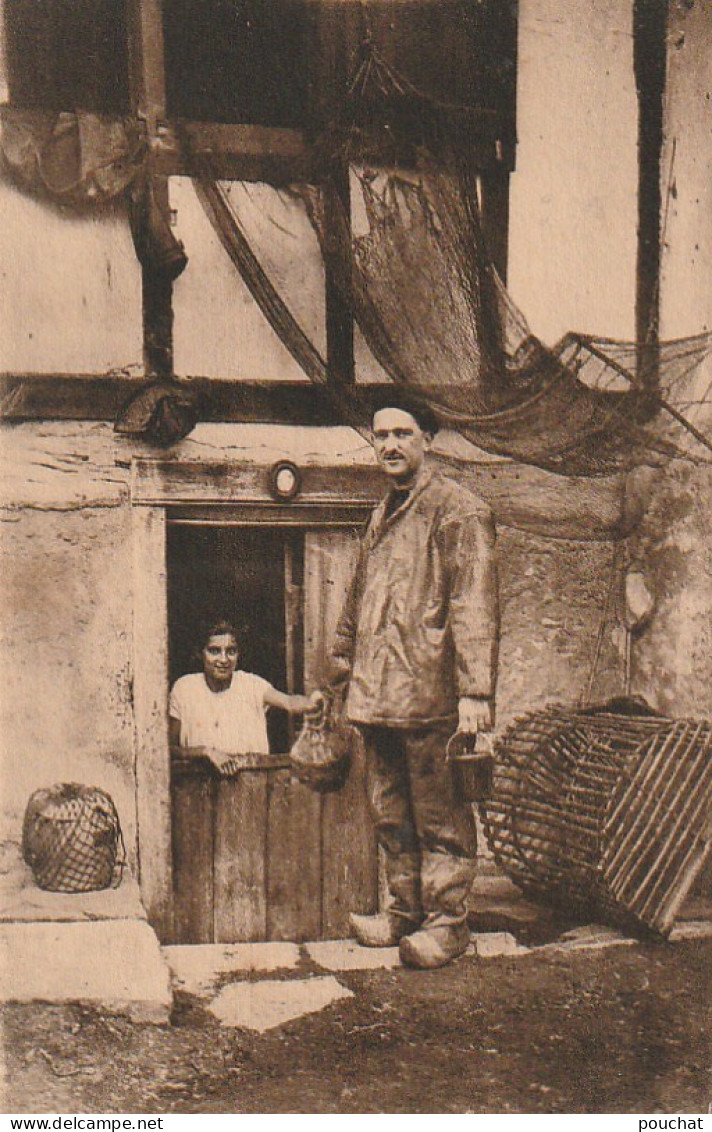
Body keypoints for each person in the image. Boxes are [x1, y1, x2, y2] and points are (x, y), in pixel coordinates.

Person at [310, 392, 499, 969]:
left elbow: (475, 606)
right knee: (389, 812)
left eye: (403, 433)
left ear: (428, 441)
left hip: (433, 697)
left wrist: (475, 694)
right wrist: (335, 676)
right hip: (378, 696)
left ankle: (447, 924)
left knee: (440, 816)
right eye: (381, 434)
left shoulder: (458, 511)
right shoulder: (380, 514)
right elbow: (355, 605)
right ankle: (403, 912)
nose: (389, 444)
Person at [169, 620, 312, 771]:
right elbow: (168, 749)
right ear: (200, 653)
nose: (223, 660)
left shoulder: (251, 685)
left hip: (252, 782)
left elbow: (289, 702)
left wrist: (312, 703)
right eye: (214, 651)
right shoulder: (185, 689)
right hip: (198, 786)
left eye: (231, 651)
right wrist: (205, 752)